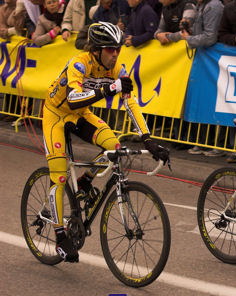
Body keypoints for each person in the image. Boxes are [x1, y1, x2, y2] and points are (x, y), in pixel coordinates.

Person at [42, 22, 169, 262]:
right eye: (111, 49)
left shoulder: (117, 68)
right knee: (58, 175)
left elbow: (130, 102)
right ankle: (60, 236)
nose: (115, 54)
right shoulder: (79, 63)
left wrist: (148, 138)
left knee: (115, 148)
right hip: (56, 115)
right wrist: (110, 88)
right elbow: (74, 97)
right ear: (97, 50)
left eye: (118, 49)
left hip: (80, 115)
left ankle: (86, 181)